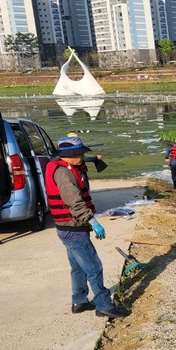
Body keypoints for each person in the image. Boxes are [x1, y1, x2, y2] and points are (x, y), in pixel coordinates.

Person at [45, 135, 128, 318]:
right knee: (94, 267)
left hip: (67, 228)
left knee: (78, 267)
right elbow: (75, 203)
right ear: (70, 154)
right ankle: (104, 305)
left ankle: (79, 301)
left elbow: (84, 163)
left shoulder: (67, 166)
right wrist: (93, 222)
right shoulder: (63, 174)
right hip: (73, 228)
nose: (82, 157)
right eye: (80, 154)